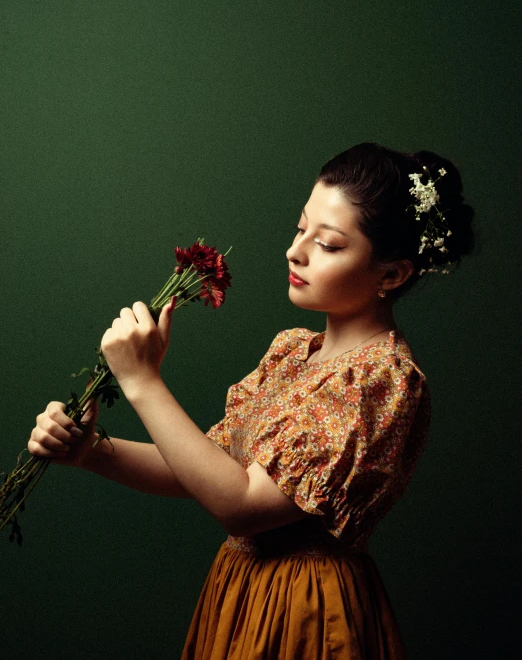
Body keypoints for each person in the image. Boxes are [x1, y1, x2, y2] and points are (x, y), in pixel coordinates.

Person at [28, 142, 475, 659]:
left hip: (305, 612)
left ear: (392, 275)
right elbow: (208, 470)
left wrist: (143, 382)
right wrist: (92, 453)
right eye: (299, 227)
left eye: (328, 245)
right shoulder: (291, 353)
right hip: (242, 593)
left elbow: (240, 505)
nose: (296, 251)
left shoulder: (381, 380)